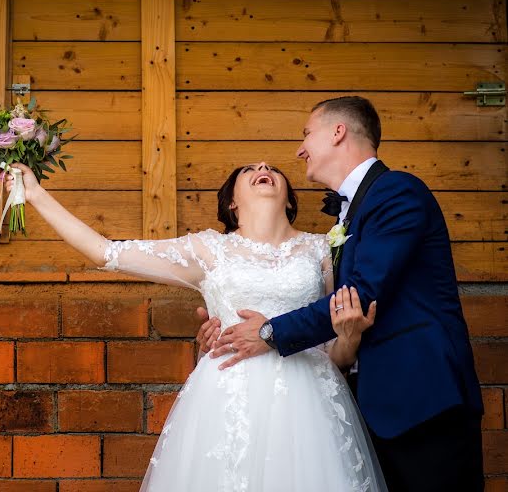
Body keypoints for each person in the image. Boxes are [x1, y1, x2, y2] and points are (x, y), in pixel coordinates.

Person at [5, 160, 387, 491]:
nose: (263, 170)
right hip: (226, 395)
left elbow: (335, 353)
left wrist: (350, 338)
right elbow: (106, 252)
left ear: (289, 199)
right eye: (250, 170)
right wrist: (36, 193)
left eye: (272, 168)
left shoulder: (324, 249)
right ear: (232, 202)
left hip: (311, 404)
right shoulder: (206, 249)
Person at [200, 96, 484, 492]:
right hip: (375, 407)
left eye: (306, 135)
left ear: (338, 133)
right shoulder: (348, 216)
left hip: (423, 400)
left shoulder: (396, 191)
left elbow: (362, 293)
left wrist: (269, 333)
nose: (300, 149)